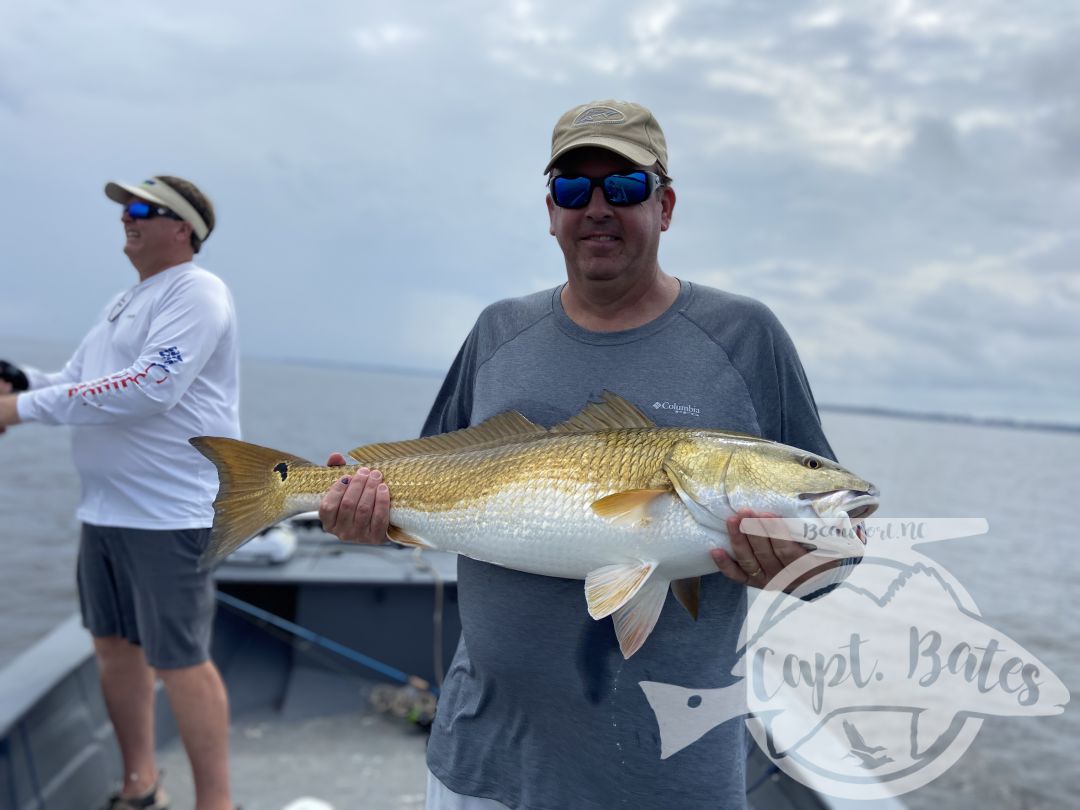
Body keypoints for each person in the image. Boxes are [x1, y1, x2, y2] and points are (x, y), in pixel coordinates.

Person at [318, 101, 850, 809]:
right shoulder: (497, 330)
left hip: (669, 777)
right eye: (575, 189)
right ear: (550, 211)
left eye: (624, 187)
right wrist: (366, 516)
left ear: (665, 205)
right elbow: (432, 481)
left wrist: (806, 563)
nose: (598, 206)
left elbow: (838, 545)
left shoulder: (746, 335)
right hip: (483, 761)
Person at [0, 176, 238, 810]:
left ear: (182, 228)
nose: (125, 220)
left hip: (169, 516)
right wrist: (21, 381)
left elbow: (146, 387)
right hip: (105, 510)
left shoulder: (197, 292)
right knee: (113, 648)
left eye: (140, 210)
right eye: (123, 210)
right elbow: (80, 381)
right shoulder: (124, 302)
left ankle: (215, 803)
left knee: (181, 659)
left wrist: (18, 410)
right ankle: (141, 785)